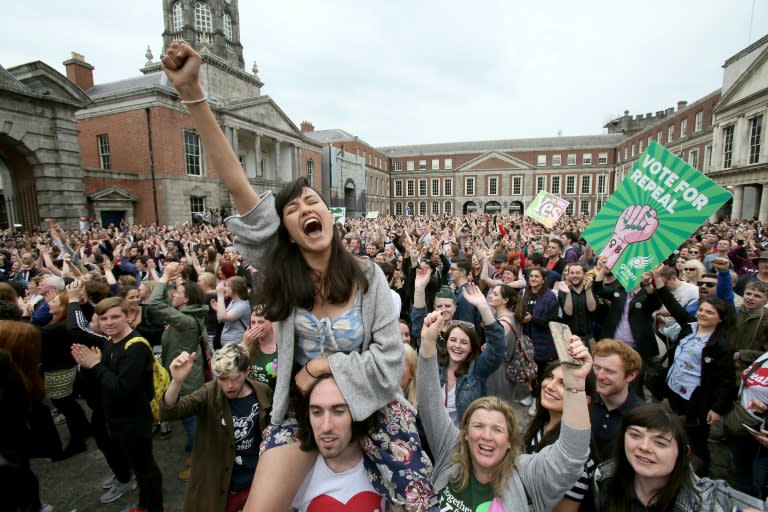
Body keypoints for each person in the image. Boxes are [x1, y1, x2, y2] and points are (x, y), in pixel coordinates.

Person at [161, 40, 433, 512]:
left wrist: (321, 367)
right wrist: (192, 93)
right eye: (292, 207)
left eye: (313, 201)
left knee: (418, 501)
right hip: (300, 410)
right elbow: (236, 181)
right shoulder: (281, 272)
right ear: (283, 230)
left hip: (373, 407)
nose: (306, 207)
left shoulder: (369, 278)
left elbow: (389, 368)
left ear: (329, 214)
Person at [417, 310, 593, 511]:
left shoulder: (527, 475)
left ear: (510, 441)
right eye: (478, 426)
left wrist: (576, 386)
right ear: (465, 434)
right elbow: (429, 403)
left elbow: (572, 455)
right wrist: (428, 343)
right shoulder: (451, 450)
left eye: (497, 430)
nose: (486, 436)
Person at [70, 296, 164, 512]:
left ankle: (154, 507)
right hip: (118, 418)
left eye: (115, 317)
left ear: (128, 317)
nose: (109, 322)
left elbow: (121, 388)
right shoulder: (110, 343)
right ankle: (144, 504)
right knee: (139, 467)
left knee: (145, 467)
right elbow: (102, 383)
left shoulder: (136, 347)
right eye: (103, 318)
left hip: (134, 419)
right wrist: (87, 366)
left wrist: (95, 365)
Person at [160, 345, 272, 512]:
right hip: (222, 485)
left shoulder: (262, 391)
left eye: (235, 377)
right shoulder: (209, 393)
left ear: (247, 371)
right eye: (222, 379)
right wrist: (177, 381)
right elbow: (171, 411)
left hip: (254, 482)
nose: (229, 385)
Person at [593, 402, 764, 511]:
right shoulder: (605, 478)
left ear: (683, 453)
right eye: (635, 435)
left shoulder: (709, 500)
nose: (644, 447)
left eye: (660, 443)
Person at [649, 265, 736, 476]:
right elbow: (671, 304)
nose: (703, 315)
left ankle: (697, 475)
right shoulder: (689, 327)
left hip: (696, 400)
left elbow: (726, 380)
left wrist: (717, 409)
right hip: (674, 390)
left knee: (694, 441)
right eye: (701, 310)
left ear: (720, 318)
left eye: (709, 312)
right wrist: (657, 280)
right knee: (671, 430)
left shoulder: (720, 345)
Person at [291, 376, 385, 511]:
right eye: (317, 412)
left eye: (338, 412)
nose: (326, 426)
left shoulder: (385, 468)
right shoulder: (295, 475)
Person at [145, 261, 209, 450]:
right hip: (187, 374)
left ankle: (198, 453)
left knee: (190, 418)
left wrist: (164, 276)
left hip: (186, 379)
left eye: (178, 294)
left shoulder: (186, 320)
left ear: (186, 300)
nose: (174, 295)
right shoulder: (186, 313)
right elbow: (164, 302)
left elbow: (155, 304)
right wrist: (171, 281)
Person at [523, 361, 597, 511]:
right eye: (550, 377)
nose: (550, 386)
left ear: (584, 400)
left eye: (563, 384)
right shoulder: (542, 426)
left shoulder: (574, 459)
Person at [589, 339, 644, 462]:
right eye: (597, 367)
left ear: (631, 375)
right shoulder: (583, 402)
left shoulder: (640, 417)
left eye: (610, 371)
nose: (600, 376)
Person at [521, 267, 560, 416]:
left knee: (540, 372)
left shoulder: (550, 297)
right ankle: (531, 396)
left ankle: (538, 401)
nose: (533, 279)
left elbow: (552, 320)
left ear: (543, 279)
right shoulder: (525, 294)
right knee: (530, 371)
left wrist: (533, 319)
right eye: (531, 276)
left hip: (543, 342)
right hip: (527, 339)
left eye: (537, 276)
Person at [555, 263, 598, 348]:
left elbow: (592, 308)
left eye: (578, 273)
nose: (575, 276)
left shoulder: (592, 288)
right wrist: (568, 293)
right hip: (569, 337)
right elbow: (568, 312)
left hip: (589, 337)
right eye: (572, 273)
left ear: (584, 274)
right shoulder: (563, 291)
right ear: (568, 275)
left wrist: (588, 289)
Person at [240, 304, 278, 392]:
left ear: (271, 323)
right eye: (253, 322)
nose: (256, 326)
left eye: (261, 322)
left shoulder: (280, 346)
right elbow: (232, 367)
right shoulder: (247, 343)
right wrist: (243, 344)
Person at [214, 275, 251, 345]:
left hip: (236, 344)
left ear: (235, 289)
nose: (225, 289)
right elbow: (222, 317)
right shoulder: (233, 301)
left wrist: (220, 295)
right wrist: (218, 309)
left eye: (227, 286)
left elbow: (223, 317)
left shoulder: (243, 305)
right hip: (229, 344)